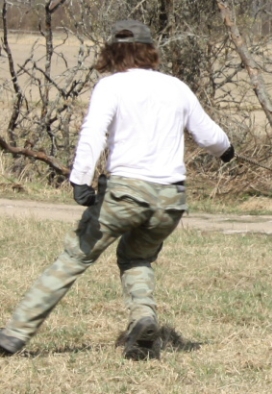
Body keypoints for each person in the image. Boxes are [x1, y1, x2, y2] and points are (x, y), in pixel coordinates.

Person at [0, 20, 234, 360]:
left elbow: (93, 133)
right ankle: (143, 322)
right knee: (137, 257)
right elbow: (212, 137)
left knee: (73, 258)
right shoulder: (176, 87)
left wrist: (80, 180)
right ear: (150, 50)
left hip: (125, 193)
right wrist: (226, 150)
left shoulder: (110, 87)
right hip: (170, 199)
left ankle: (12, 336)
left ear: (111, 51)